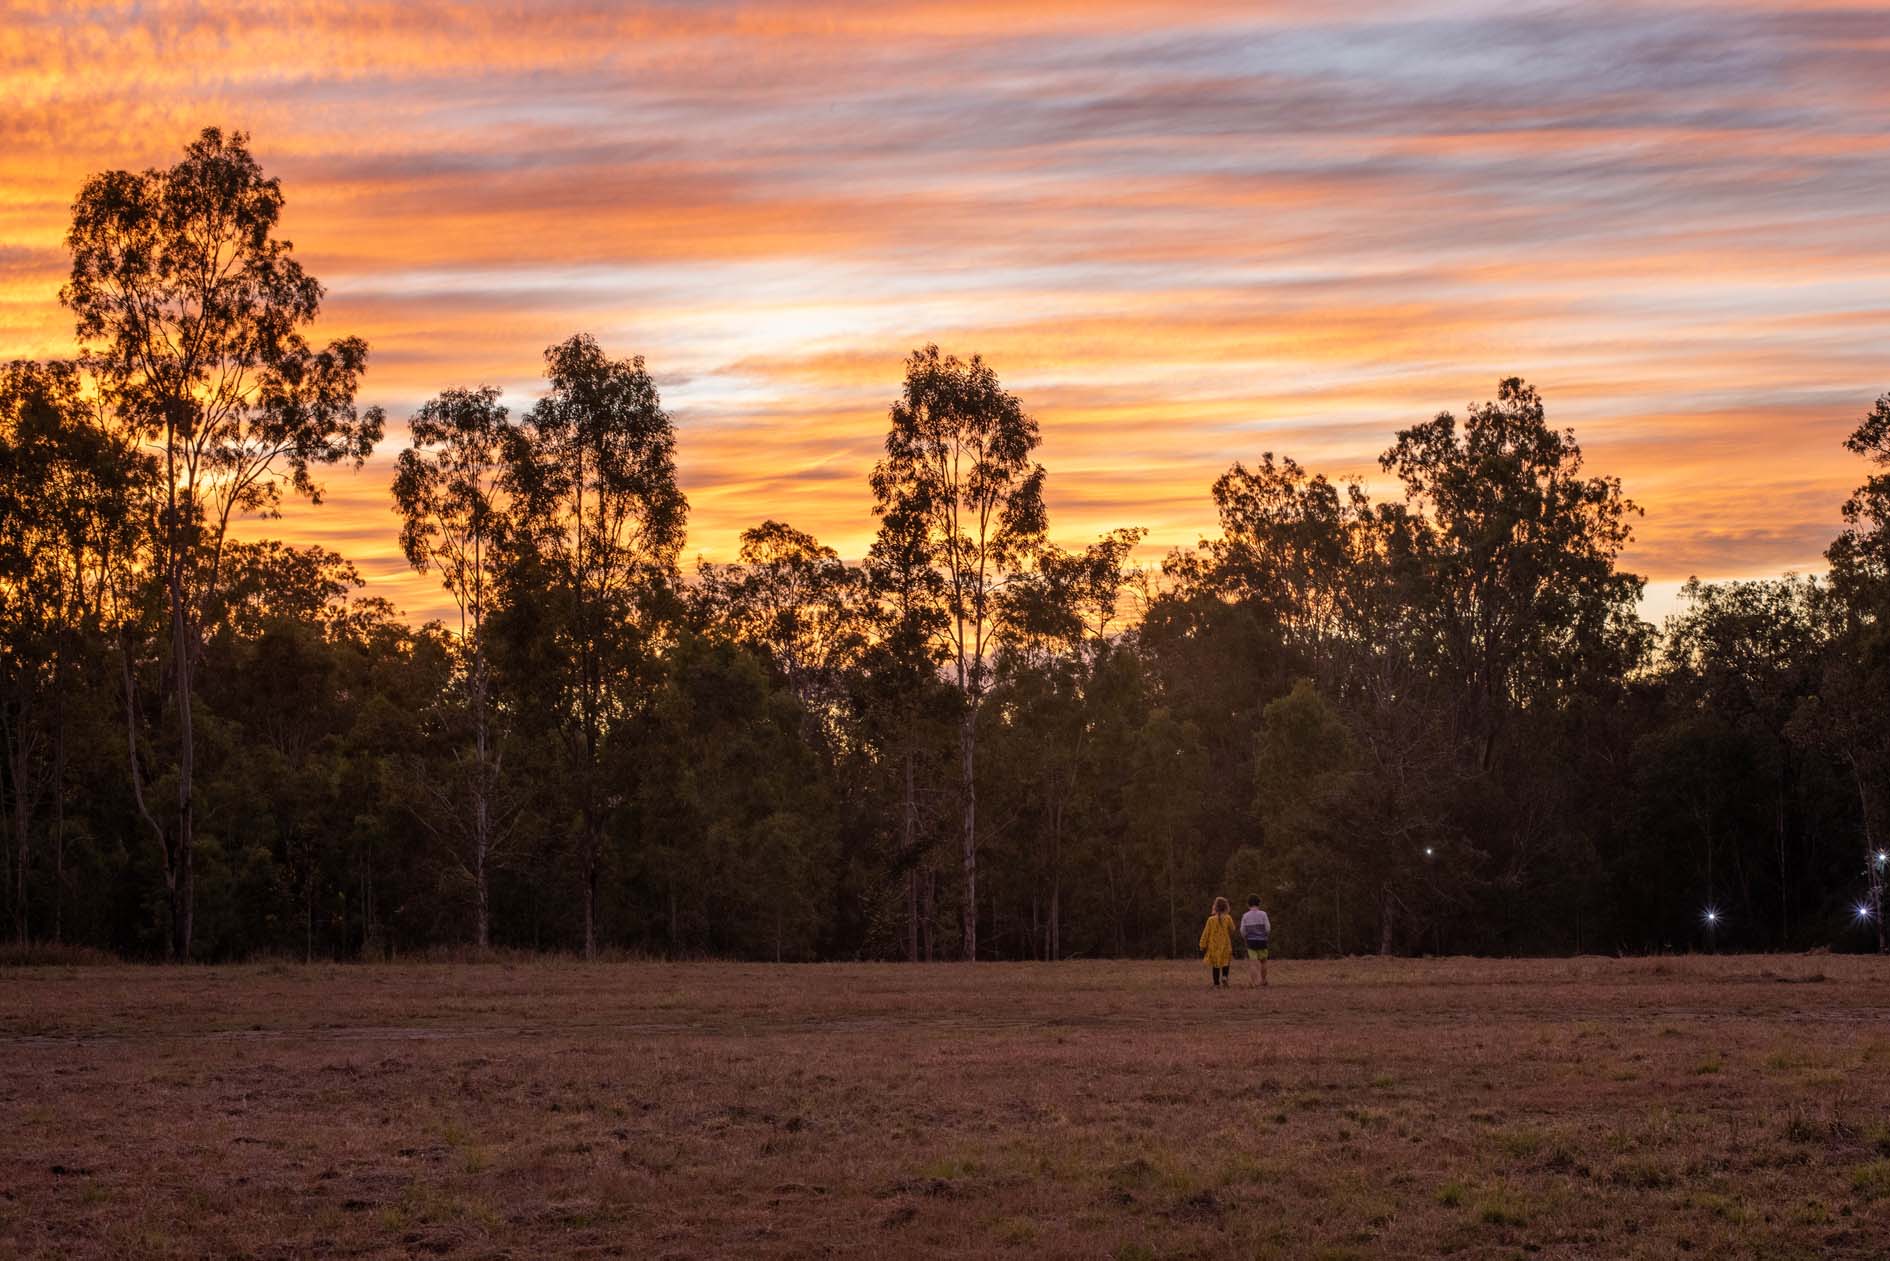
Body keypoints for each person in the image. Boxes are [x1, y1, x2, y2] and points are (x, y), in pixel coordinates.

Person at [1198, 896, 1237, 987]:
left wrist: (1202, 944)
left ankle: (1216, 984)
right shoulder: (1228, 918)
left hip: (1214, 946)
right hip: (1225, 945)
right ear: (1226, 907)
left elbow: (1206, 933)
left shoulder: (1211, 920)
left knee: (1215, 965)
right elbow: (1233, 929)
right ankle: (1224, 977)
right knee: (1225, 962)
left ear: (1215, 907)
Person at [1239, 895, 1271, 988]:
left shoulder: (1245, 916)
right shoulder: (1263, 914)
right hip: (1262, 940)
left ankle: (1253, 982)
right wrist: (1266, 935)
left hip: (1251, 941)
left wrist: (1245, 937)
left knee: (1253, 962)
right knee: (1263, 961)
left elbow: (1242, 930)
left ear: (1248, 904)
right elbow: (1268, 928)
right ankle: (1263, 980)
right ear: (1259, 903)